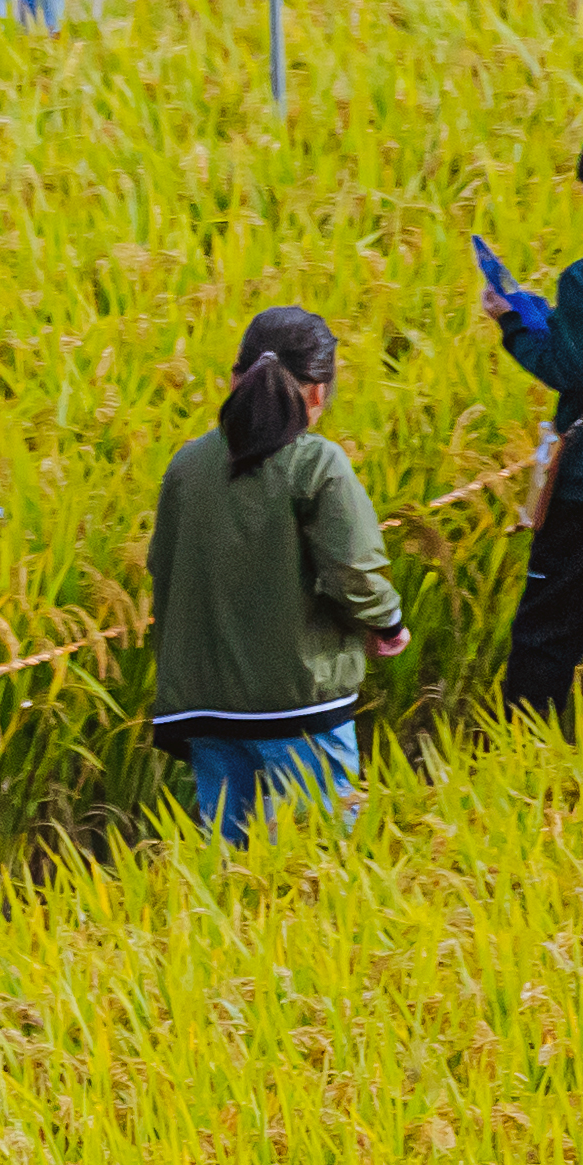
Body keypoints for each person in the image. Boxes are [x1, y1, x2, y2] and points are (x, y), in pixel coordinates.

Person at [141, 308, 400, 839]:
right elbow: (354, 572)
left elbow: (161, 570)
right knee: (320, 858)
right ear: (318, 392)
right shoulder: (316, 463)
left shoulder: (187, 466)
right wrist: (388, 624)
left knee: (229, 866)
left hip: (205, 709)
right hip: (300, 707)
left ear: (233, 380)